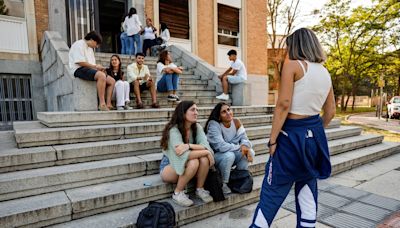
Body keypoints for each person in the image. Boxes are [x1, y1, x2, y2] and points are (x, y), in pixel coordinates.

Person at [250, 28, 336, 228]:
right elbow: (330, 111)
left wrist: (272, 140)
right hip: (314, 135)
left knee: (272, 191)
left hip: (290, 136)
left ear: (296, 45)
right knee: (307, 190)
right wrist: (315, 132)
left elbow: (283, 104)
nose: (287, 49)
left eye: (288, 45)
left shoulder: (292, 65)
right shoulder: (325, 72)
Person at [159, 101, 215, 207]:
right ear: (183, 113)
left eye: (197, 110)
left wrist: (189, 146)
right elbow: (182, 155)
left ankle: (200, 189)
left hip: (186, 165)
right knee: (194, 161)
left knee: (203, 159)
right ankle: (177, 193)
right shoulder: (173, 130)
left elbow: (205, 144)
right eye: (193, 110)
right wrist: (206, 151)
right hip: (169, 166)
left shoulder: (196, 127)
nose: (196, 113)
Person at [205, 102, 255, 194]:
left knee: (250, 152)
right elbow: (221, 146)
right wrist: (240, 147)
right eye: (224, 112)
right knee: (229, 155)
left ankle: (238, 178)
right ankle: (224, 183)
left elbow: (245, 139)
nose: (228, 113)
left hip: (230, 154)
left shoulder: (236, 122)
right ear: (219, 116)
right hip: (216, 158)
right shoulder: (214, 124)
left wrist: (244, 146)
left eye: (229, 109)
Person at [68, 31, 115, 111]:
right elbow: (79, 62)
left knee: (112, 81)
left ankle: (108, 104)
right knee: (101, 76)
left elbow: (92, 65)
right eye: (97, 44)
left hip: (88, 69)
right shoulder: (78, 44)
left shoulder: (90, 50)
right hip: (77, 69)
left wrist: (98, 68)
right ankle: (102, 104)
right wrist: (95, 67)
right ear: (92, 40)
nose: (96, 46)